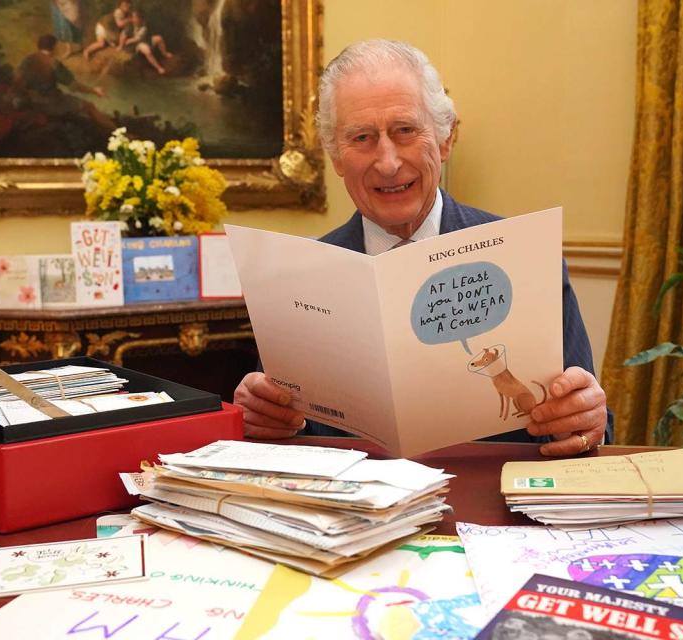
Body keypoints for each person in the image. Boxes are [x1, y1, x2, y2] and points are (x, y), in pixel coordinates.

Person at [233, 39, 613, 458]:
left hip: (490, 507)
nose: (389, 162)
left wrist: (586, 420)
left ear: (447, 138)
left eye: (405, 131)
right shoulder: (299, 276)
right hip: (354, 516)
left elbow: (590, 432)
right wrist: (258, 417)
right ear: (336, 157)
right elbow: (275, 430)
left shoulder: (526, 259)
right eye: (361, 137)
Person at [14, 34, 115, 132]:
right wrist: (94, 91)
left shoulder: (26, 60)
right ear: (54, 47)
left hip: (31, 101)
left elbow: (17, 80)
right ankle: (122, 134)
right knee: (89, 107)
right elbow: (74, 87)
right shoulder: (53, 63)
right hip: (51, 103)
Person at [125, 10, 173, 75]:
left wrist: (129, 40)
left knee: (159, 38)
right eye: (134, 17)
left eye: (137, 17)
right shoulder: (129, 26)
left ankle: (164, 53)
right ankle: (158, 68)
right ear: (131, 18)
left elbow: (139, 38)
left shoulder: (144, 26)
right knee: (147, 51)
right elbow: (124, 35)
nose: (135, 19)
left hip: (142, 40)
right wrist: (124, 42)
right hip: (137, 45)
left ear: (141, 18)